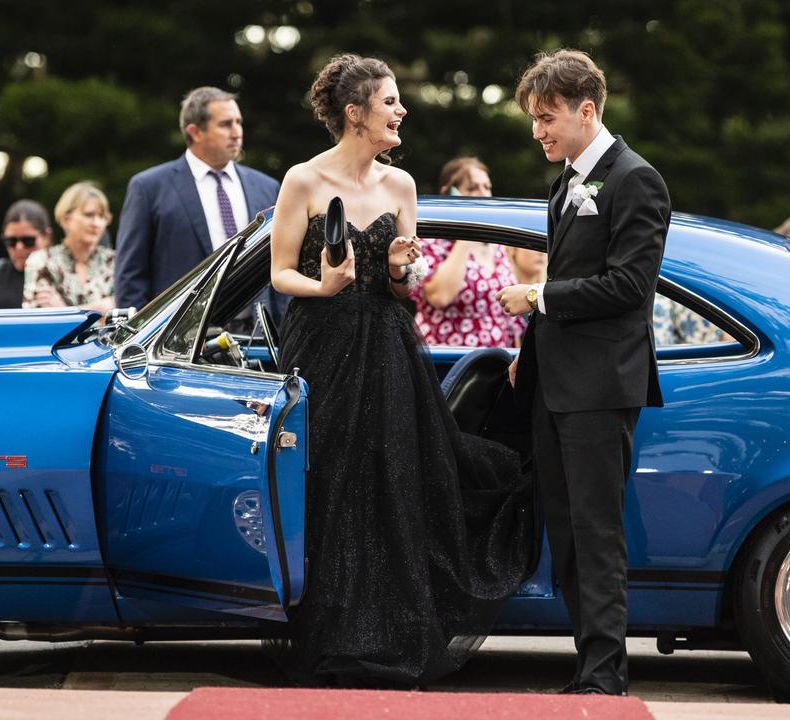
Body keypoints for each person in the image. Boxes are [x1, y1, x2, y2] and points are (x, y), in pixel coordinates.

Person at [269, 53, 534, 687]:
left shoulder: (402, 186)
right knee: (328, 478)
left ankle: (390, 632)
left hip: (387, 345)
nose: (402, 112)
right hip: (321, 345)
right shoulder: (301, 180)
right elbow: (280, 273)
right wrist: (322, 283)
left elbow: (407, 285)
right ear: (355, 114)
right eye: (391, 102)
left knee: (391, 476)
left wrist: (395, 266)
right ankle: (329, 629)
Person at [496, 49, 670, 696]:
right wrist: (529, 347)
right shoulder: (567, 179)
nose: (537, 131)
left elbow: (630, 285)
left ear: (586, 110)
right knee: (565, 533)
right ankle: (586, 666)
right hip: (556, 383)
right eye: (534, 120)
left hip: (600, 388)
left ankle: (605, 674)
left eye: (546, 118)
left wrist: (539, 298)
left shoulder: (636, 179)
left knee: (597, 533)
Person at [115, 86, 281, 312]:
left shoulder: (267, 187)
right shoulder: (149, 188)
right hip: (180, 338)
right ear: (194, 131)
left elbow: (283, 265)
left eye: (238, 122)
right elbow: (130, 276)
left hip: (258, 335)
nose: (236, 132)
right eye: (225, 124)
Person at [413, 157, 524, 347]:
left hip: (496, 362)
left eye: (486, 187)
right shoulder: (431, 242)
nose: (484, 194)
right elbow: (440, 296)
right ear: (449, 194)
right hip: (448, 361)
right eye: (473, 188)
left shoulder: (496, 245)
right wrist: (466, 232)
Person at [24, 181, 115, 313]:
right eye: (88, 215)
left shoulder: (116, 262)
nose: (97, 223)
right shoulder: (42, 260)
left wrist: (64, 311)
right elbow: (39, 320)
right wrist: (100, 309)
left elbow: (129, 316)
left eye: (102, 216)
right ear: (66, 219)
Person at [0, 199, 54, 309]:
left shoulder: (65, 275)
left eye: (28, 241)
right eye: (11, 241)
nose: (19, 247)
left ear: (47, 236)